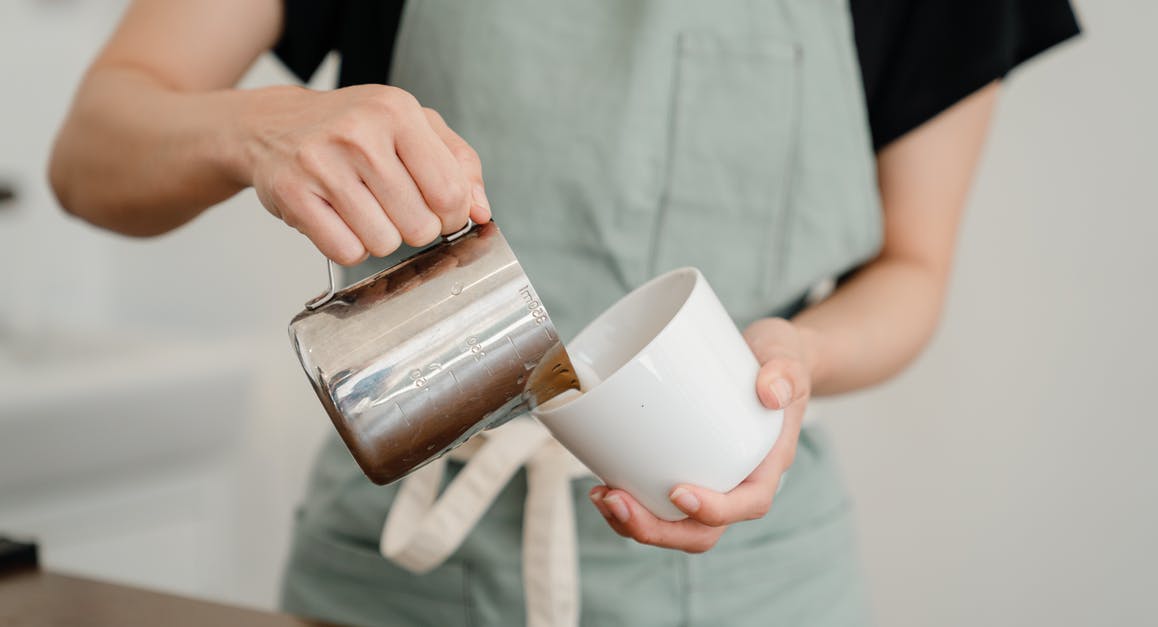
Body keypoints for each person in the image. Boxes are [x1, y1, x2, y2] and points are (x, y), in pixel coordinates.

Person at [49, 1, 1079, 625]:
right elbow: (90, 153)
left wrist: (789, 355)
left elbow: (914, 266)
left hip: (751, 587)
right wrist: (255, 127)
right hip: (397, 571)